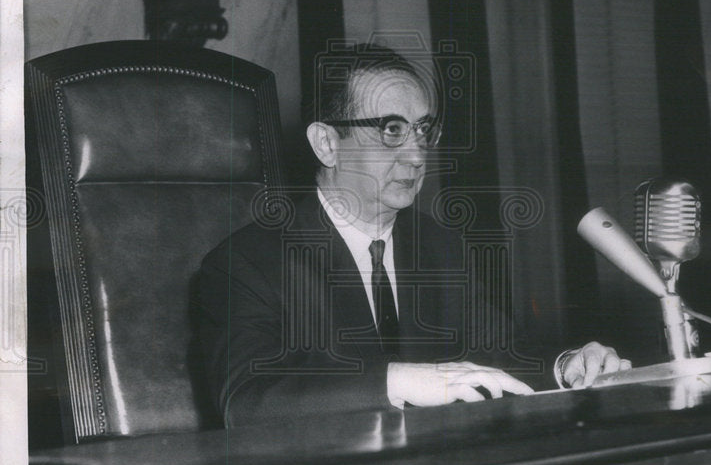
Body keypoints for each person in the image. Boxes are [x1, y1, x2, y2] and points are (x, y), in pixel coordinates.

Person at [199, 45, 630, 425]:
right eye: (391, 130)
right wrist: (397, 380)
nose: (415, 154)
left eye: (422, 129)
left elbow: (497, 354)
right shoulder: (249, 262)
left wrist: (566, 364)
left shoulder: (439, 246)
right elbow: (247, 401)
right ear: (327, 143)